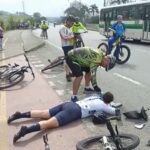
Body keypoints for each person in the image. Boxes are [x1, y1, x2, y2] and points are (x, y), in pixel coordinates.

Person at [7, 92, 120, 143]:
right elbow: (115, 112)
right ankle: (25, 131)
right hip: (74, 111)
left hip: (68, 104)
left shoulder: (95, 97)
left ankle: (19, 115)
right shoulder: (104, 105)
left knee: (43, 113)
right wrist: (112, 107)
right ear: (108, 101)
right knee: (49, 124)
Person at [59, 16, 75, 82]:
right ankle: (67, 75)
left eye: (73, 23)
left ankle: (70, 72)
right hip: (66, 46)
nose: (72, 24)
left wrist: (75, 37)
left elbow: (72, 36)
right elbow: (64, 37)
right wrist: (73, 36)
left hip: (71, 45)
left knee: (71, 60)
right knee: (68, 60)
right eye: (71, 22)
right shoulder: (62, 28)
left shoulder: (70, 28)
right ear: (67, 21)